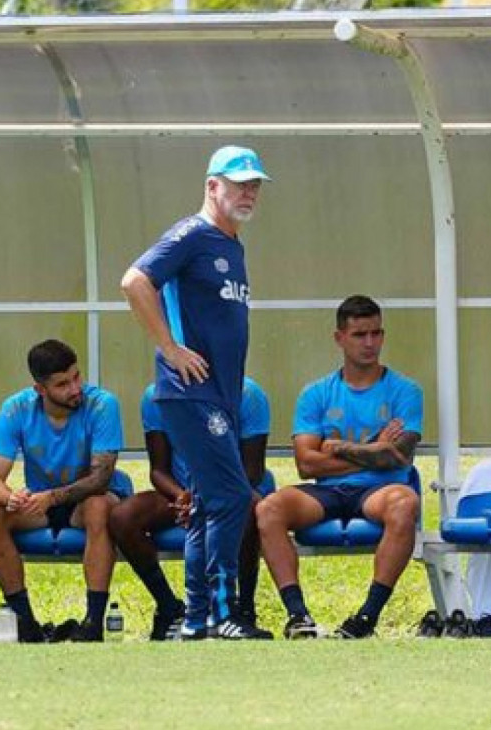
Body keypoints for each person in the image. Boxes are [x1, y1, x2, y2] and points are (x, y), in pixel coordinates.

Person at [120, 144, 272, 640]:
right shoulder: (191, 234)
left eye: (254, 185)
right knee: (232, 496)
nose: (249, 193)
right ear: (212, 186)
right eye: (239, 184)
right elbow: (135, 281)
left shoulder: (231, 244)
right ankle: (223, 613)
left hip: (220, 394)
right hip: (190, 391)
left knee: (209, 502)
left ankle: (196, 619)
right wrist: (170, 349)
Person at [257, 295, 422, 639]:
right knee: (269, 508)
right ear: (340, 338)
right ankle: (298, 616)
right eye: (360, 335)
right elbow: (306, 464)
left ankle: (366, 618)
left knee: (405, 503)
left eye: (376, 333)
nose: (369, 343)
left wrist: (341, 448)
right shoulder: (316, 394)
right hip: (327, 492)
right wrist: (374, 448)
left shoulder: (405, 391)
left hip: (380, 490)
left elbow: (398, 457)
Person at [0, 339, 132, 642]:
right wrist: (10, 498)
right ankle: (25, 623)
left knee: (99, 506)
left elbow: (100, 479)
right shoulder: (16, 408)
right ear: (40, 389)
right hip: (41, 502)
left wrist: (52, 497)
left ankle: (93, 623)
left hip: (89, 499)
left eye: (76, 377)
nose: (75, 389)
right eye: (62, 384)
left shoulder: (102, 404)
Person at [111, 377, 273, 640]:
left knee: (248, 504)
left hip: (231, 489)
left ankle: (241, 610)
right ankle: (169, 608)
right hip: (183, 493)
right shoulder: (157, 396)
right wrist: (181, 495)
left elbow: (253, 471)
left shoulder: (248, 394)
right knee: (123, 516)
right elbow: (158, 470)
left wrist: (207, 498)